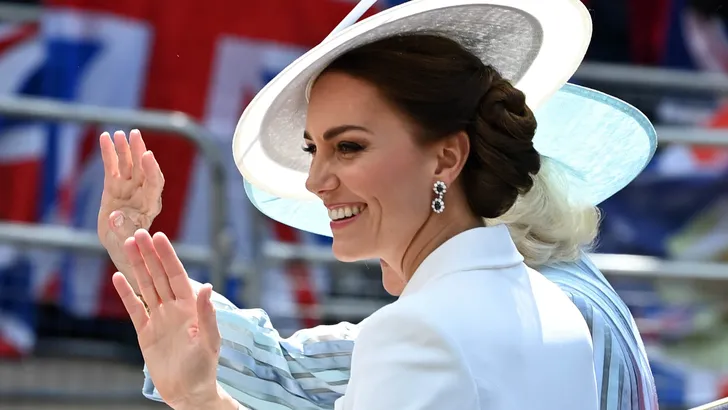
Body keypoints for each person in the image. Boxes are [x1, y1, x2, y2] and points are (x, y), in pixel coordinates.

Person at [100, 0, 659, 409]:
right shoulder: (546, 304)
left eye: (348, 147)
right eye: (312, 149)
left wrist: (197, 400)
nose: (316, 180)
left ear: (445, 160)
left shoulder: (422, 329)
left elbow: (292, 369)